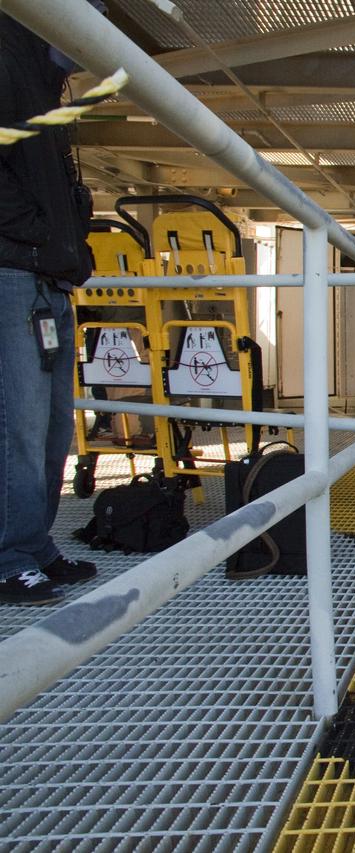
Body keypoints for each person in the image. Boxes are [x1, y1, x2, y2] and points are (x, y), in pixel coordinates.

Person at [0, 10, 100, 604]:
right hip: (15, 272)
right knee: (19, 423)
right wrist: (44, 238)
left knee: (57, 423)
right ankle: (10, 555)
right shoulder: (8, 62)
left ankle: (35, 546)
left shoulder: (44, 85)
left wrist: (69, 244)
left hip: (50, 280)